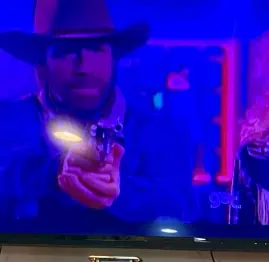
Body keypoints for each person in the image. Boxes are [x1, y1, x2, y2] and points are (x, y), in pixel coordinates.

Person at [0, 0, 191, 232]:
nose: (84, 66)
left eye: (96, 48)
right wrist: (57, 172)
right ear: (42, 63)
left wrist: (119, 188)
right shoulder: (8, 121)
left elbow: (182, 206)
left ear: (114, 58)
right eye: (66, 50)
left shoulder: (159, 132)